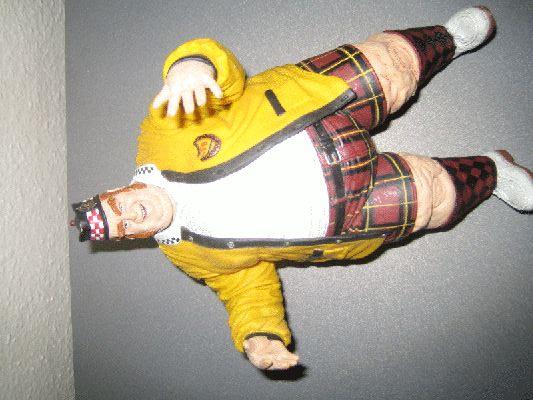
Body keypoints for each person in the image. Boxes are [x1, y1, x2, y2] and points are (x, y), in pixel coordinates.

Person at [72, 6, 532, 370]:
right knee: (432, 198)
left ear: (117, 189)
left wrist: (190, 65)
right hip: (347, 211)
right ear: (131, 238)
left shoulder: (158, 132)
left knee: (387, 64)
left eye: (119, 207)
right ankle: (493, 172)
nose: (131, 216)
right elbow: (244, 286)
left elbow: (224, 81)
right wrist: (259, 335)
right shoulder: (189, 256)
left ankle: (449, 39)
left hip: (314, 105)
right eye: (124, 227)